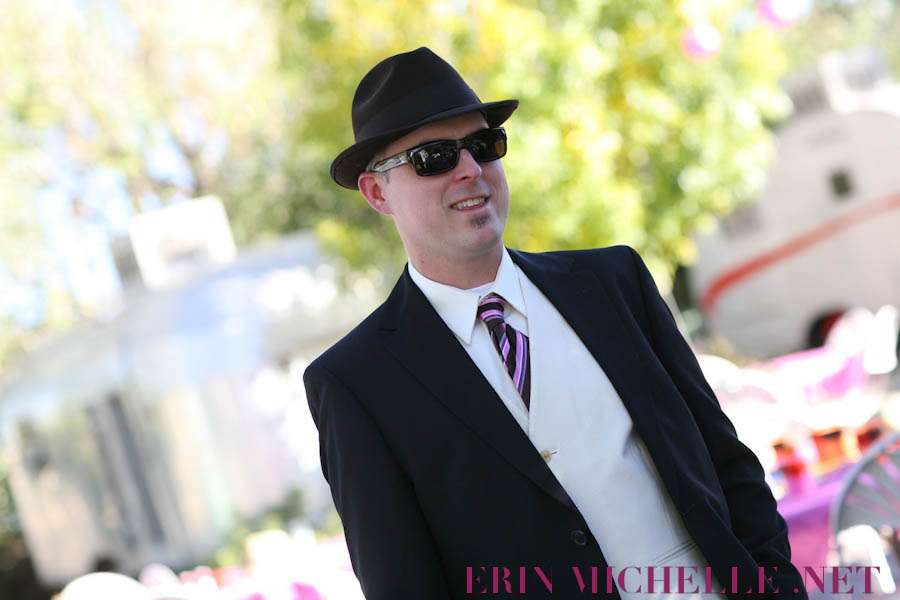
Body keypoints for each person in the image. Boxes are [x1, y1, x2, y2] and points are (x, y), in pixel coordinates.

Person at [303, 47, 807, 600]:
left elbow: (727, 463)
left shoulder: (614, 283)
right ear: (377, 192)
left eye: (483, 145)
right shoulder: (356, 383)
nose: (470, 169)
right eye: (434, 158)